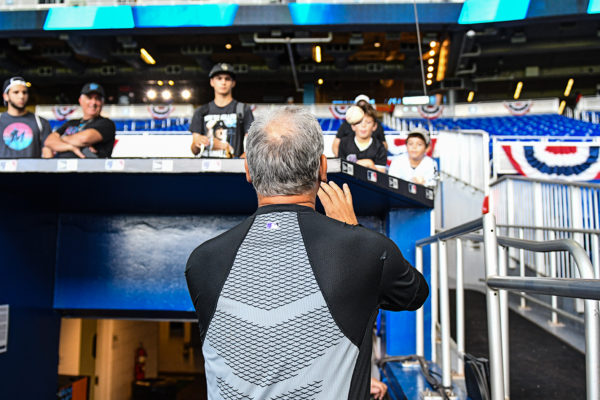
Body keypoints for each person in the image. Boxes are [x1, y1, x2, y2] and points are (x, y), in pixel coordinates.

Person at [186, 106, 428, 399]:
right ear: (322, 168)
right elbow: (415, 293)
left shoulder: (201, 261)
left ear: (248, 171)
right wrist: (353, 232)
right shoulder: (366, 250)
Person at [190, 62, 254, 158]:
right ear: (212, 82)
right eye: (219, 78)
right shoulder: (201, 111)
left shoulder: (243, 109)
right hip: (206, 168)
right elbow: (195, 151)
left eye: (227, 79)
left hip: (233, 169)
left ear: (233, 83)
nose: (223, 82)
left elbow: (253, 143)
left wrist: (241, 160)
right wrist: (197, 143)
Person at [44, 82, 115, 158]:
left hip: (89, 168)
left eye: (97, 99)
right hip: (61, 167)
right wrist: (70, 147)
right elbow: (48, 141)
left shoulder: (106, 124)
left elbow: (84, 139)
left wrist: (59, 140)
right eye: (89, 98)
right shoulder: (71, 123)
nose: (93, 102)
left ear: (102, 103)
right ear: (80, 100)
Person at [0, 76, 52, 158]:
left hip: (32, 170)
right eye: (16, 92)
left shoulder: (40, 122)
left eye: (24, 92)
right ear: (5, 96)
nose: (21, 96)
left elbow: (47, 152)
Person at [338, 104, 388, 173]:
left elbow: (381, 177)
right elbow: (340, 170)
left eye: (368, 122)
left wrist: (370, 164)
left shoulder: (380, 147)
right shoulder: (344, 143)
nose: (363, 125)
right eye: (359, 122)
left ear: (374, 126)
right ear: (353, 125)